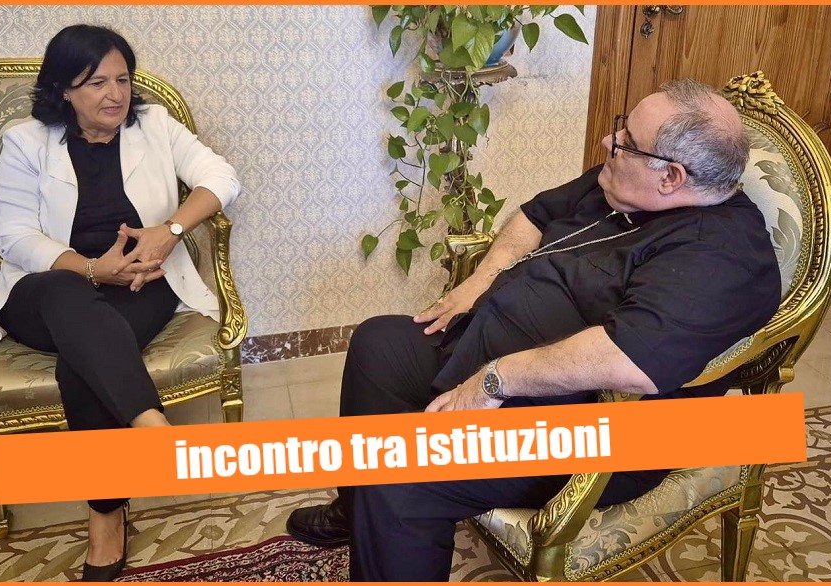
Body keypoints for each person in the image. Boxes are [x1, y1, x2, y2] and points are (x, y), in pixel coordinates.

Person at [286, 80, 782, 581]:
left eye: (626, 140)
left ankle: (387, 500)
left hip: (591, 431)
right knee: (378, 345)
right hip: (492, 347)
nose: (608, 142)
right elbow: (534, 215)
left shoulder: (722, 258)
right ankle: (358, 508)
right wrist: (479, 281)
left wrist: (492, 381)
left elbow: (627, 359)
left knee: (401, 474)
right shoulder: (625, 183)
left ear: (671, 177)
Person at [0, 24, 240, 581]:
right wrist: (92, 269)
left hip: (143, 280)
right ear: (63, 89)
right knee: (69, 295)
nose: (115, 95)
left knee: (83, 364)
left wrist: (170, 231)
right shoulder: (26, 141)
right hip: (48, 288)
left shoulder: (155, 125)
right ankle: (152, 427)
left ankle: (106, 521)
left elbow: (222, 177)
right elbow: (15, 237)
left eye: (123, 80)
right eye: (96, 83)